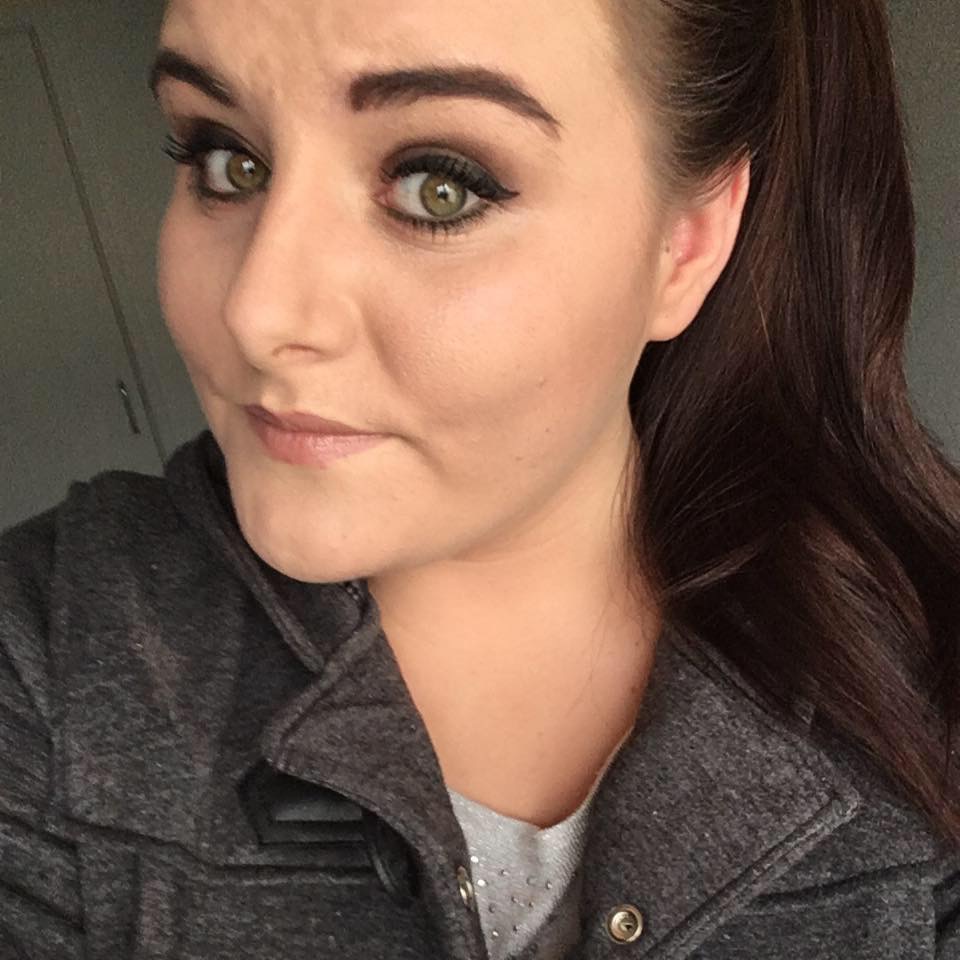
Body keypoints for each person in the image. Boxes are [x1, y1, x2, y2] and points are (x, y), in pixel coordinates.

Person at [2, 0, 959, 957]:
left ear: (688, 243)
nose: (257, 312)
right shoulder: (45, 661)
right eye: (227, 160)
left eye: (438, 187)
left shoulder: (920, 685)